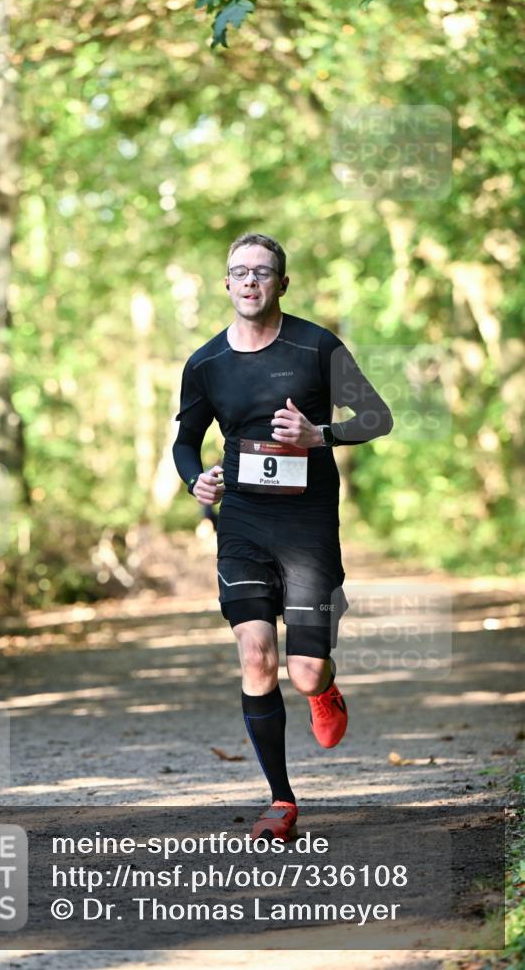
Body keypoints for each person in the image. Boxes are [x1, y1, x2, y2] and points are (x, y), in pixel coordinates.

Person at [172, 232, 393, 841]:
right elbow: (185, 442)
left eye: (262, 272)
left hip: (307, 523)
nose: (250, 281)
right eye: (239, 271)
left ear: (281, 284)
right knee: (255, 655)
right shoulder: (206, 363)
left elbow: (377, 417)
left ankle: (325, 688)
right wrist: (197, 480)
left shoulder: (316, 346)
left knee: (303, 672)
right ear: (226, 283)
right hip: (241, 520)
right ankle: (281, 800)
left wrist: (319, 434)